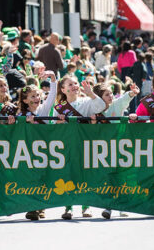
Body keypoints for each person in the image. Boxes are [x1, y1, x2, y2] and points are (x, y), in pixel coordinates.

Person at [54, 75, 106, 220]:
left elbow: (101, 106)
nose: (74, 86)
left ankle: (86, 205)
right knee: (69, 174)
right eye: (70, 84)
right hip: (68, 144)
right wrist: (58, 123)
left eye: (75, 83)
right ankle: (68, 206)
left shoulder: (86, 101)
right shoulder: (59, 108)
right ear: (63, 89)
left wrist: (90, 93)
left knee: (85, 174)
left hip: (84, 143)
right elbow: (51, 127)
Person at [92, 81, 139, 220]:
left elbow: (123, 100)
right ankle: (109, 205)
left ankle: (120, 206)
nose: (111, 96)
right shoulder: (94, 111)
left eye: (111, 93)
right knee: (108, 178)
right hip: (102, 151)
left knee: (120, 175)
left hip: (119, 147)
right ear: (99, 98)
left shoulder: (115, 106)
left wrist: (132, 93)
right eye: (107, 94)